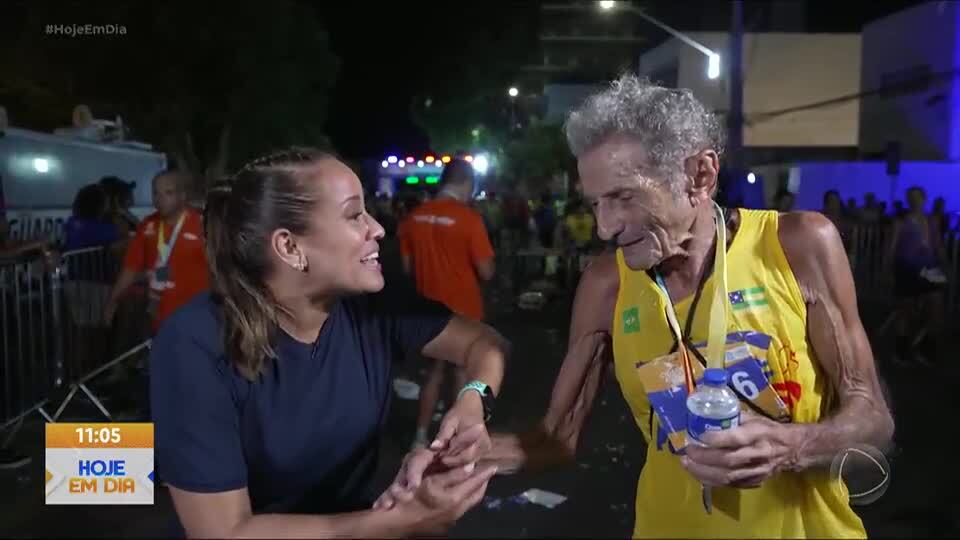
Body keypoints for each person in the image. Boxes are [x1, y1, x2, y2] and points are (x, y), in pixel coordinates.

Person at [469, 75, 892, 538]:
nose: (606, 227)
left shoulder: (797, 246)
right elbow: (557, 437)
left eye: (624, 197)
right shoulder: (606, 284)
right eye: (595, 204)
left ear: (700, 176)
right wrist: (463, 458)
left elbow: (871, 417)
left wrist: (791, 447)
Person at [150, 148, 504, 538]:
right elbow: (223, 532)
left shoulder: (375, 306)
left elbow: (484, 344)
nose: (378, 228)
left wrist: (473, 400)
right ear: (290, 247)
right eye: (354, 215)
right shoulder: (194, 343)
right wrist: (393, 522)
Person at [397, 159, 496, 450]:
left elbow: (407, 268)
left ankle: (420, 436)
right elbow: (487, 271)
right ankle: (455, 439)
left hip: (427, 310)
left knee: (433, 373)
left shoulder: (413, 218)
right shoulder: (469, 219)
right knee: (463, 375)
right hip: (464, 311)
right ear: (467, 183)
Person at [104, 170, 208, 335]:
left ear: (182, 195)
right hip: (159, 319)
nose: (160, 199)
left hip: (196, 319)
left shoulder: (203, 226)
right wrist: (112, 300)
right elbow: (130, 268)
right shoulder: (147, 225)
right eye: (155, 193)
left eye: (168, 192)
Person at [884, 186, 947, 366]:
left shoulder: (932, 221)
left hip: (930, 268)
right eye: (911, 197)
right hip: (906, 268)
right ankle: (902, 350)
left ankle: (925, 348)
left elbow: (938, 246)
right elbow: (891, 247)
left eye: (918, 197)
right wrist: (887, 270)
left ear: (924, 199)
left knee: (936, 308)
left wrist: (945, 266)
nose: (915, 200)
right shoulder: (901, 221)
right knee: (906, 310)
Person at [63, 183, 121, 252]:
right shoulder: (106, 229)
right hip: (99, 259)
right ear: (100, 205)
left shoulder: (70, 222)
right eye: (106, 202)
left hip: (72, 258)